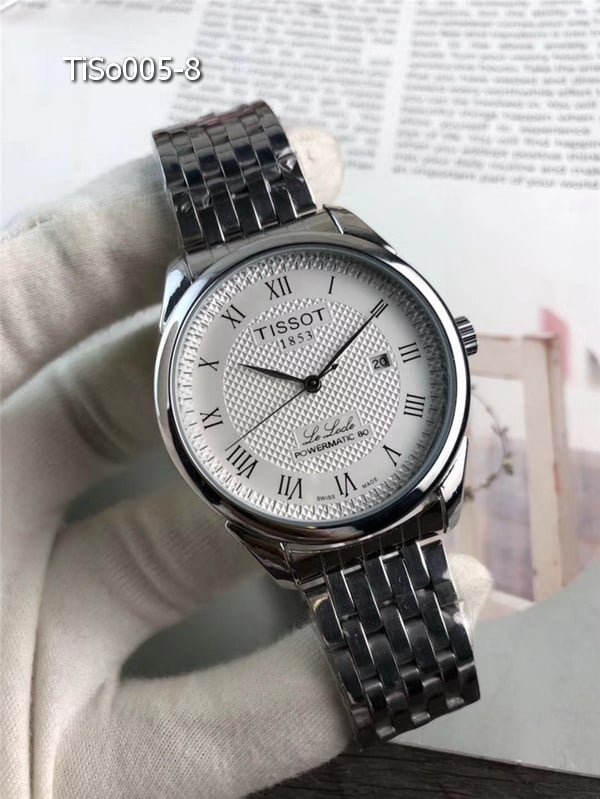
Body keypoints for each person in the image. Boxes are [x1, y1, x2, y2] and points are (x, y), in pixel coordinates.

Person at [0, 131, 491, 798]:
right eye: (307, 381)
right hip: (299, 506)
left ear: (449, 341)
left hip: (400, 484)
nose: (313, 383)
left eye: (316, 378)